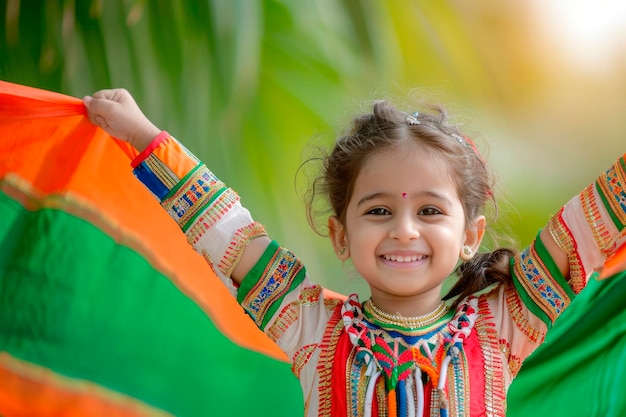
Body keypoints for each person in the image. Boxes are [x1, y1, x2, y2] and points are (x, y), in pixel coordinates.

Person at [83, 88, 626, 417]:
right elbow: (229, 235)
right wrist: (148, 138)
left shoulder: (503, 323)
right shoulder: (311, 326)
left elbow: (589, 222)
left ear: (471, 235)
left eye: (431, 212)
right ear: (341, 236)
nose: (405, 231)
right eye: (379, 211)